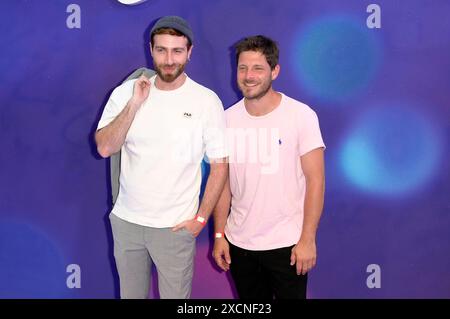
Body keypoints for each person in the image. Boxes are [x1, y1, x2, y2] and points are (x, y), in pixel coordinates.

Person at [95, 15, 228, 299]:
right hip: (127, 223)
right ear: (151, 49)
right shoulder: (126, 93)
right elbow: (105, 147)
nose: (169, 59)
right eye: (162, 50)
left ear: (190, 52)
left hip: (175, 228)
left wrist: (201, 220)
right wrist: (134, 104)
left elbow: (220, 165)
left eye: (177, 51)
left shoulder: (206, 101)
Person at [212, 35, 325, 299]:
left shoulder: (301, 116)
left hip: (288, 245)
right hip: (239, 244)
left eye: (258, 68)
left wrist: (307, 239)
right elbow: (223, 184)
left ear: (275, 71)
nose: (248, 76)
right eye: (242, 68)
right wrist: (219, 234)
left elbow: (316, 181)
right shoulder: (226, 120)